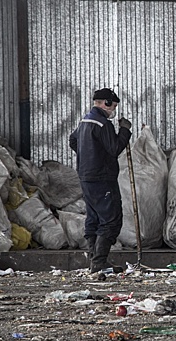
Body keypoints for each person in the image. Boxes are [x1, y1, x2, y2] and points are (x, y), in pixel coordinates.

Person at [69, 88, 132, 273]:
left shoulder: (85, 120)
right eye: (113, 106)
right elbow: (114, 148)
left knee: (94, 217)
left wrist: (89, 156)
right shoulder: (103, 124)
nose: (113, 111)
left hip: (86, 176)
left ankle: (94, 261)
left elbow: (73, 141)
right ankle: (99, 262)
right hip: (102, 178)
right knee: (110, 220)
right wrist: (125, 131)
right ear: (105, 103)